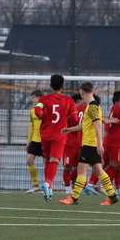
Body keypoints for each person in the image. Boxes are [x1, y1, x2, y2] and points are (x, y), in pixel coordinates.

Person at [59, 82, 119, 206]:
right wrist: (70, 129)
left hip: (90, 144)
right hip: (91, 144)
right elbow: (86, 125)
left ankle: (74, 198)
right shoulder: (92, 106)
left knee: (81, 170)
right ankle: (112, 196)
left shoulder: (92, 107)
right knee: (98, 170)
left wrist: (99, 144)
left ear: (82, 92)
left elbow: (97, 125)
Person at [34, 74, 79, 202]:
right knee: (54, 160)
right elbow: (75, 119)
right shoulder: (69, 101)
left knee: (47, 160)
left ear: (50, 86)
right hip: (60, 134)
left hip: (45, 134)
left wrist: (44, 117)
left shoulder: (43, 99)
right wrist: (67, 120)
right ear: (63, 86)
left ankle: (49, 190)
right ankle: (48, 183)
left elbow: (37, 112)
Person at [62, 93, 86, 194]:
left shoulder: (87, 109)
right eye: (81, 101)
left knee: (81, 166)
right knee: (67, 166)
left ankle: (79, 187)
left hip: (81, 143)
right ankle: (68, 188)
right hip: (69, 143)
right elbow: (64, 117)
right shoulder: (69, 110)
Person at [25, 90, 44, 193]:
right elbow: (32, 127)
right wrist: (29, 142)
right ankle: (35, 185)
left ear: (39, 98)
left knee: (47, 163)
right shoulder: (32, 111)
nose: (32, 99)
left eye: (33, 97)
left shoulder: (47, 109)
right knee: (29, 161)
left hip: (45, 140)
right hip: (35, 140)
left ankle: (47, 186)